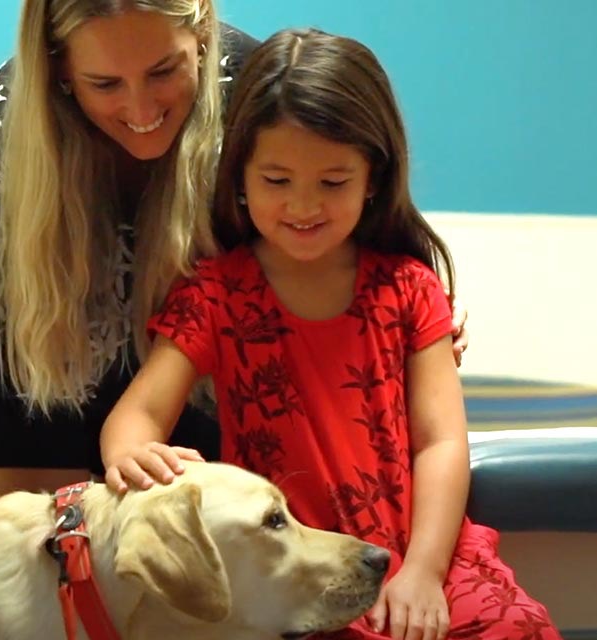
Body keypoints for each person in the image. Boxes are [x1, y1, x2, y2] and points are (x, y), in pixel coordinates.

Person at [0, 1, 469, 532]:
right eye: (104, 83)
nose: (141, 109)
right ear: (60, 70)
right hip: (26, 422)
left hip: (194, 455)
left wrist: (415, 327)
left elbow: (349, 242)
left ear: (203, 32)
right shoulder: (6, 131)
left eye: (165, 71)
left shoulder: (255, 95)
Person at [100, 28, 557, 640]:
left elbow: (440, 442)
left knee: (517, 629)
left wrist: (421, 570)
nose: (303, 205)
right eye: (277, 180)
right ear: (240, 177)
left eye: (333, 182)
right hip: (293, 571)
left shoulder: (410, 289)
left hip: (421, 558)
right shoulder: (215, 293)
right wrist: (130, 452)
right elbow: (137, 418)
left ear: (374, 176)